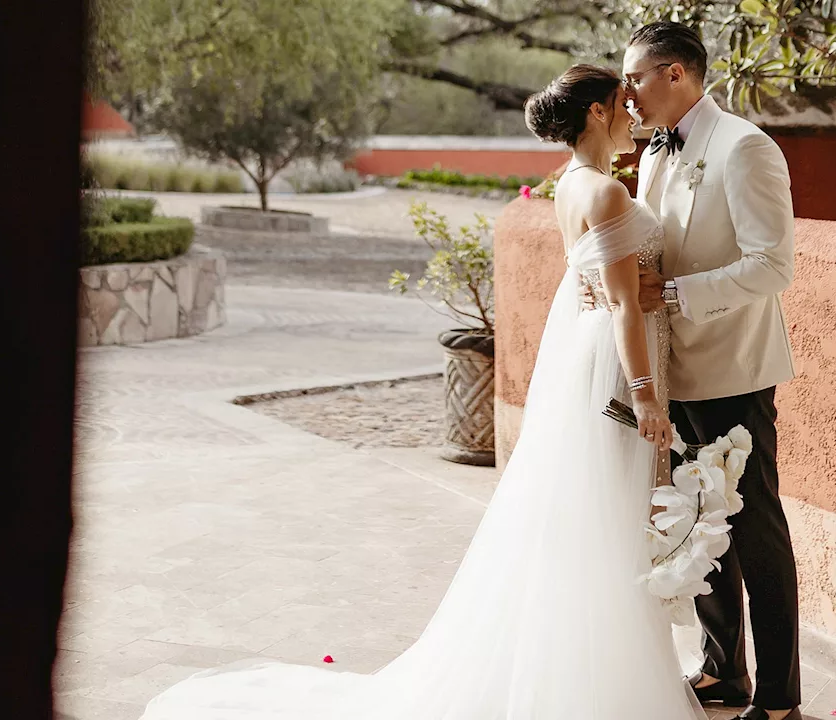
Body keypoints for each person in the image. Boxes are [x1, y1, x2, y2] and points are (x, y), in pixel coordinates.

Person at [137, 64, 705, 720]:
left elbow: (612, 289)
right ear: (598, 114)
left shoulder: (569, 185)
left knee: (590, 512)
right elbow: (623, 306)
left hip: (591, 355)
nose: (635, 111)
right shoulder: (604, 191)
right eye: (623, 103)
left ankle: (586, 666)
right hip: (613, 367)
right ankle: (594, 680)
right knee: (607, 512)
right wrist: (645, 399)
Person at [619, 21, 802, 720]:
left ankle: (781, 696)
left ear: (676, 75)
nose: (626, 93)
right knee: (698, 527)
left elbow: (772, 264)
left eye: (635, 77)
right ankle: (724, 671)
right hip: (676, 369)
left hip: (735, 369)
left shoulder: (746, 148)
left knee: (754, 529)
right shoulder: (655, 152)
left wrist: (667, 295)